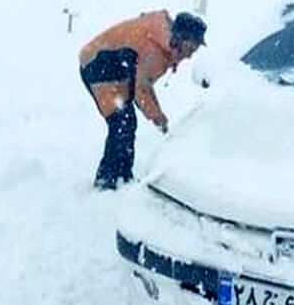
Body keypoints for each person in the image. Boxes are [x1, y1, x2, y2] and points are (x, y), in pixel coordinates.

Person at [79, 10, 207, 189]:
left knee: (127, 122)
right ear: (180, 38)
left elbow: (143, 84)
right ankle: (106, 181)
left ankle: (123, 176)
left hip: (116, 68)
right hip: (97, 65)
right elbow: (142, 90)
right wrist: (158, 118)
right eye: (190, 48)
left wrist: (156, 115)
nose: (191, 55)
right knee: (121, 122)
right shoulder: (155, 49)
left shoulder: (163, 40)